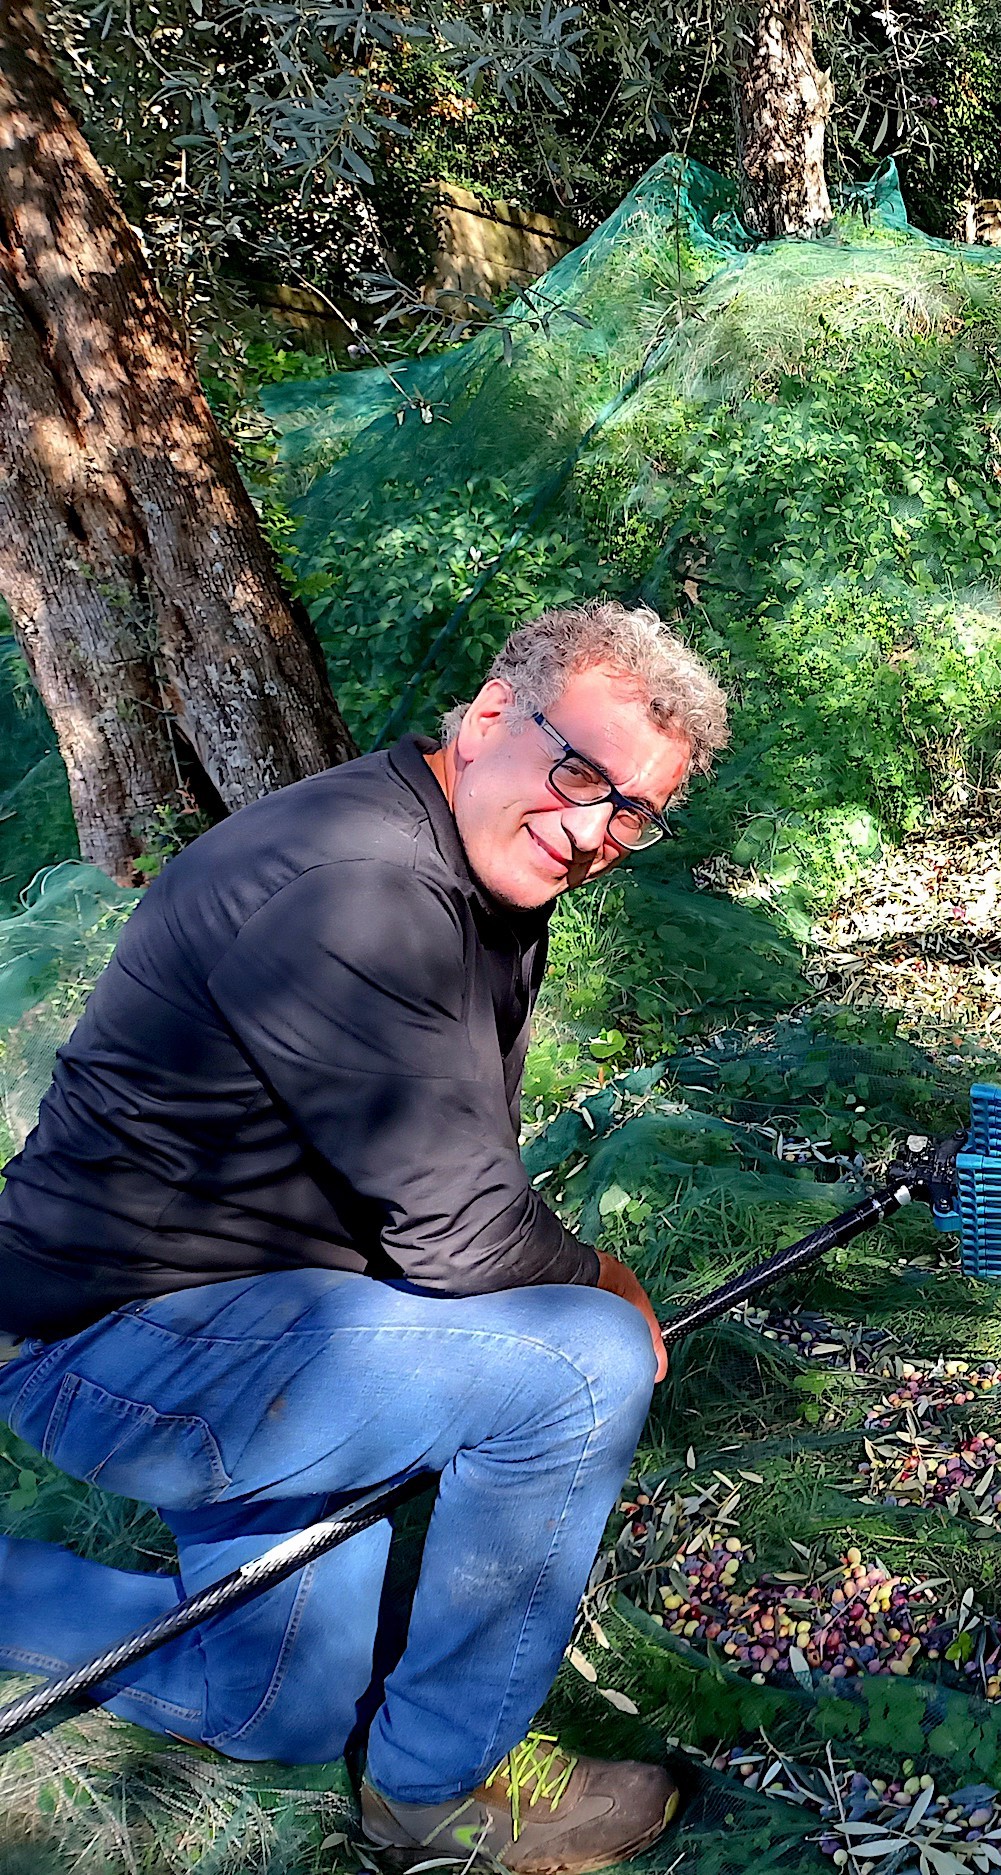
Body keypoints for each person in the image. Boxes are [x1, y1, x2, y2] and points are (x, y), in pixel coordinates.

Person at [0, 602, 730, 1873]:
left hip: (270, 1315)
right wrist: (611, 1285)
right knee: (578, 1365)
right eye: (580, 772)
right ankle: (440, 1790)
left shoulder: (482, 857)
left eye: (634, 811)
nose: (594, 828)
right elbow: (460, 1237)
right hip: (110, 1340)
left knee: (274, 1711)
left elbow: (434, 1181)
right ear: (492, 713)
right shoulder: (363, 886)